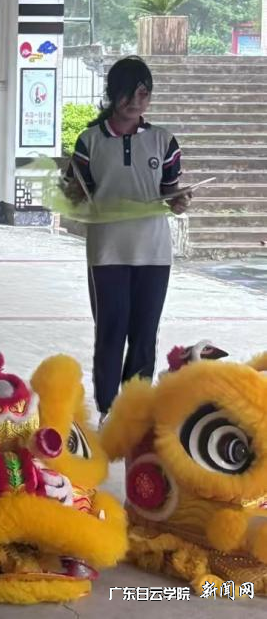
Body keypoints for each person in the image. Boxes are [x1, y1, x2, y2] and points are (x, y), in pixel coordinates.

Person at [62, 56, 187, 420]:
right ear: (112, 93)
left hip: (154, 251)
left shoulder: (164, 140)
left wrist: (178, 201)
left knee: (145, 334)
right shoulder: (90, 141)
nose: (135, 102)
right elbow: (76, 191)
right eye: (128, 94)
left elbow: (170, 190)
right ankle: (107, 409)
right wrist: (71, 194)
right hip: (107, 251)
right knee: (111, 331)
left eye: (143, 94)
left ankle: (134, 412)